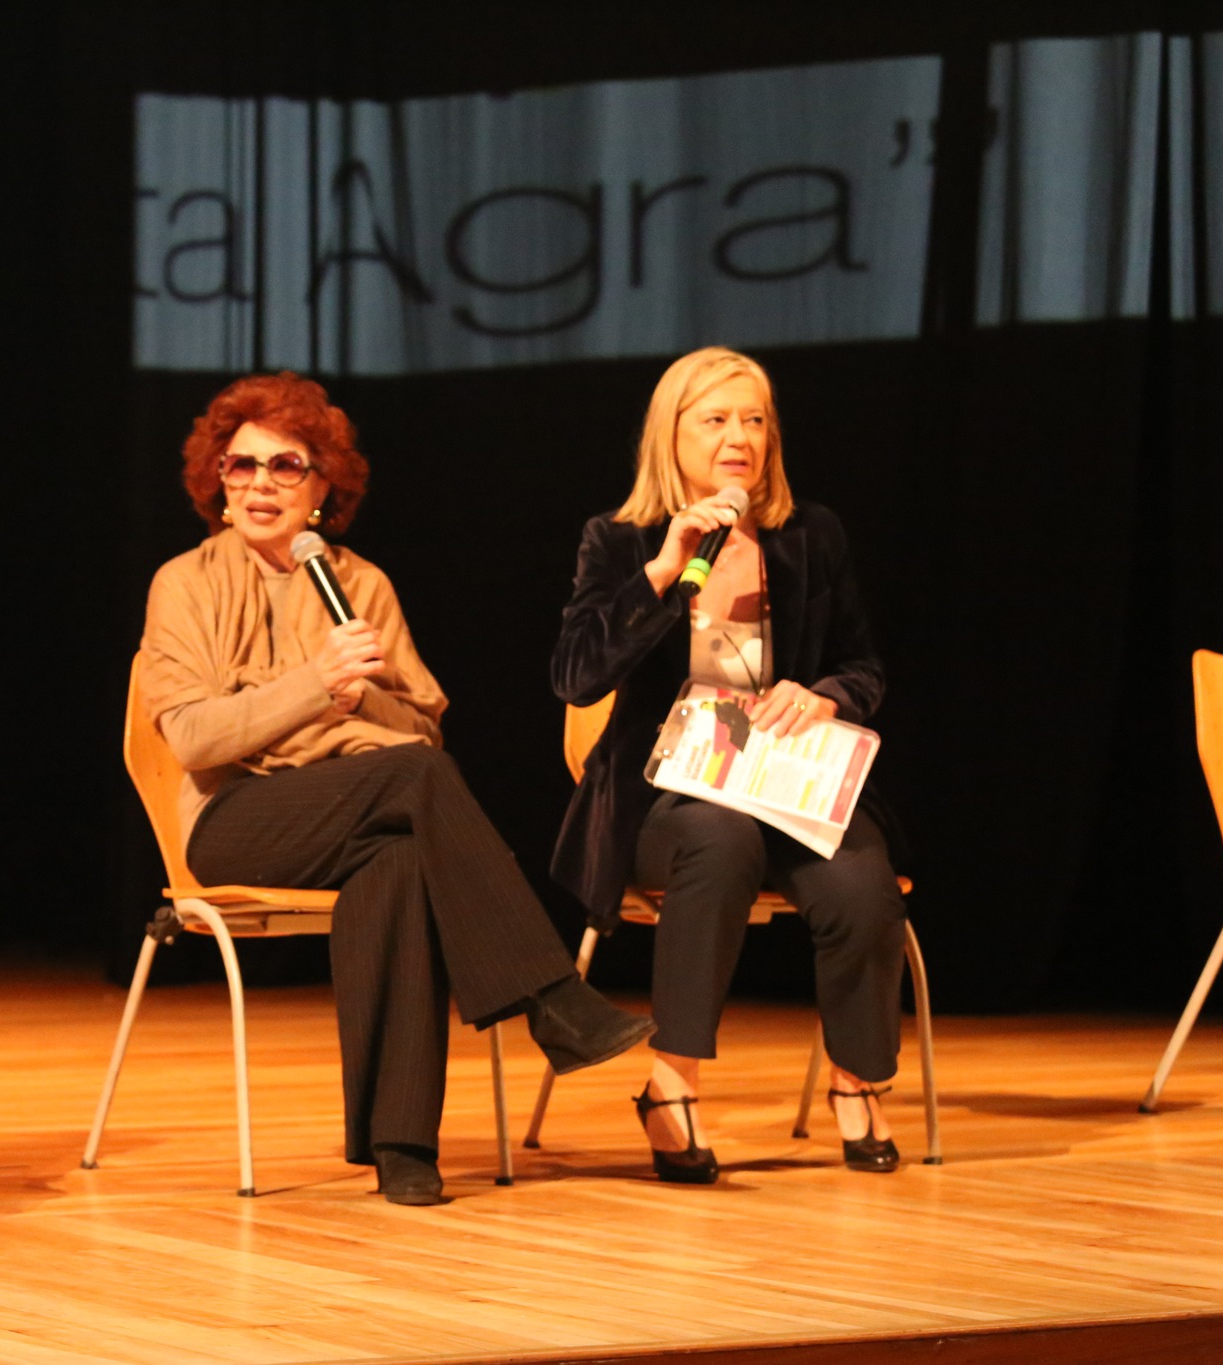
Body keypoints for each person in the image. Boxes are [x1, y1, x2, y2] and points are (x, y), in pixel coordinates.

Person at [139, 371, 654, 1206]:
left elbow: (420, 725)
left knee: (404, 859)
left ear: (322, 487)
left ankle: (402, 1143)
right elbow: (196, 736)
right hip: (234, 817)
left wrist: (351, 703)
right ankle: (553, 997)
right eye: (241, 465)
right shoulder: (184, 582)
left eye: (285, 465)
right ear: (217, 480)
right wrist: (315, 688)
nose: (260, 484)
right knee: (414, 782)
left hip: (356, 801)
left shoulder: (361, 584)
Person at [550, 346, 907, 1184]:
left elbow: (864, 666)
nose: (738, 437)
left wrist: (824, 696)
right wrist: (663, 569)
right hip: (665, 797)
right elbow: (575, 675)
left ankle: (855, 1078)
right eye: (715, 419)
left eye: (754, 419)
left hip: (785, 783)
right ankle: (671, 1084)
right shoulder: (620, 539)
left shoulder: (810, 534)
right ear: (670, 434)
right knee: (719, 839)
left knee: (862, 877)